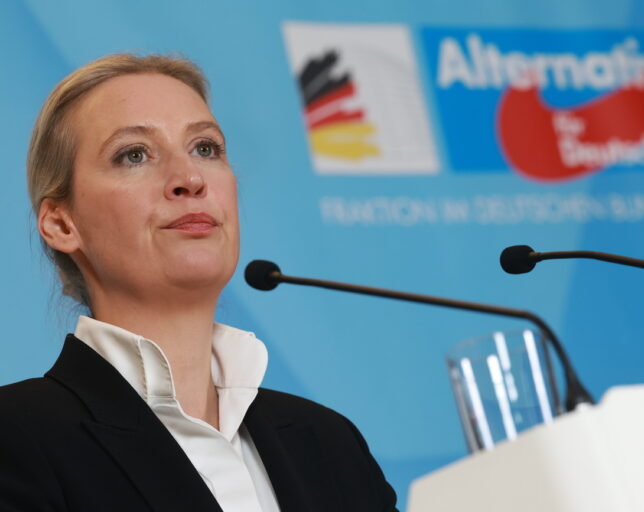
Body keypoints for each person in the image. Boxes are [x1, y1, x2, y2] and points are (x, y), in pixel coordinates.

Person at [0, 54, 398, 512]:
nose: (189, 179)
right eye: (134, 155)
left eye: (205, 148)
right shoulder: (14, 439)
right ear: (61, 224)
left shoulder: (331, 444)